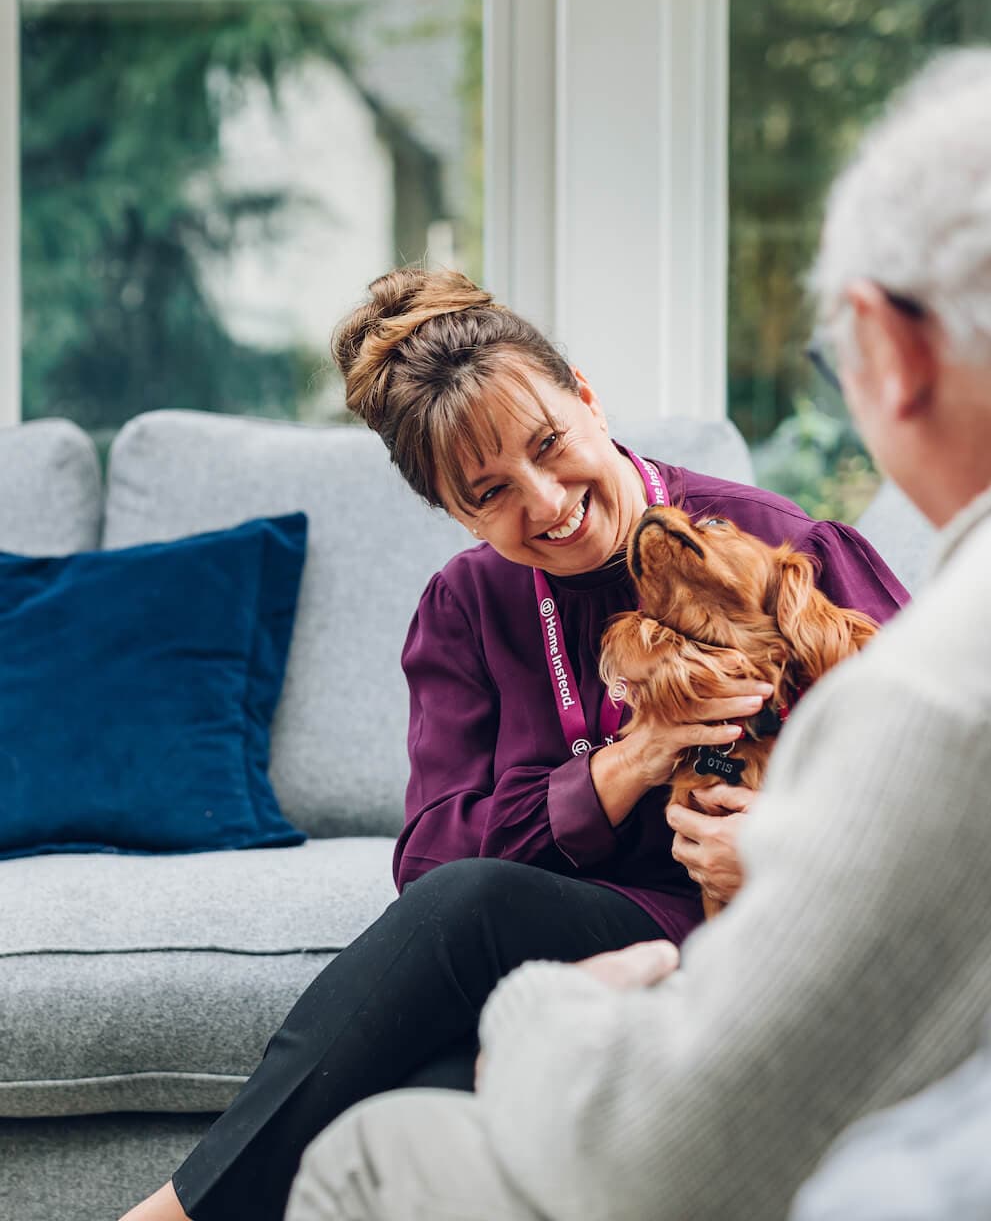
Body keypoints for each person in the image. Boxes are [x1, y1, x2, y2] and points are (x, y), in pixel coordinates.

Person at [285, 45, 991, 1221]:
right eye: (485, 492)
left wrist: (545, 1013)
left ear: (893, 350)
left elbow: (681, 1153)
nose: (544, 501)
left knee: (375, 1151)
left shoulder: (988, 658)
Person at [118, 270, 906, 1221]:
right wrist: (623, 764)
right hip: (592, 938)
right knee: (431, 1081)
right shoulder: (467, 607)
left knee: (466, 953)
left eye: (550, 446)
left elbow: (941, 774)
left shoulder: (772, 545)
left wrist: (788, 845)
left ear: (585, 395)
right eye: (490, 493)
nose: (545, 504)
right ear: (454, 513)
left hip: (764, 929)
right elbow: (432, 861)